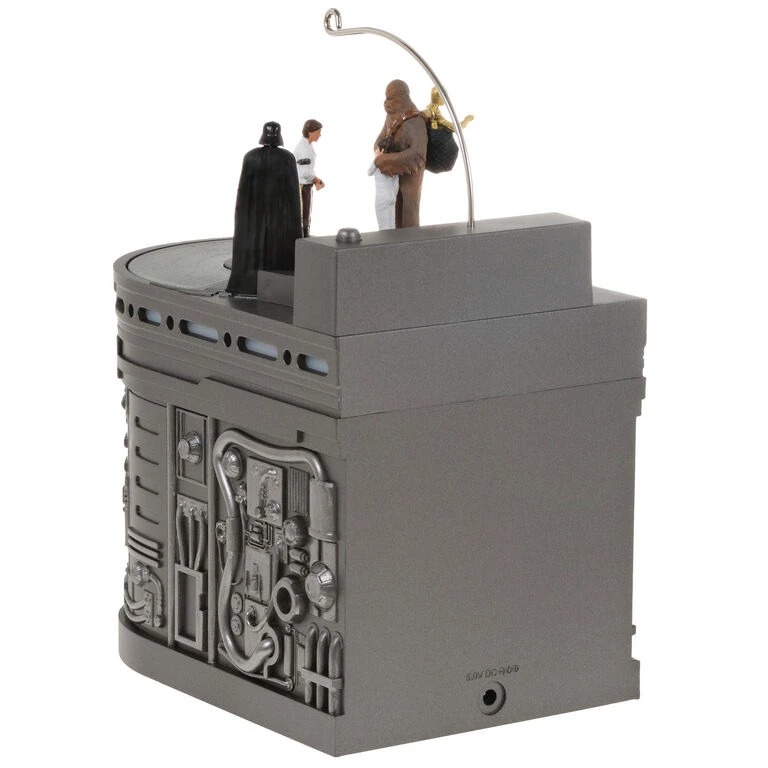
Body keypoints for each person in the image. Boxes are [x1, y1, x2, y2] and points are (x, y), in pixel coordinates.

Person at [227, 121, 302, 296]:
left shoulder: (251, 157)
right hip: (280, 215)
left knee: (253, 245)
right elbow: (292, 194)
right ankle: (280, 285)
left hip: (254, 215)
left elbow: (243, 192)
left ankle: (245, 282)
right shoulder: (287, 158)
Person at [373, 80, 428, 228]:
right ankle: (394, 239)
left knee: (408, 209)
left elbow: (418, 155)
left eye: (390, 98)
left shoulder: (415, 121)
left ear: (401, 98)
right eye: (385, 98)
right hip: (391, 175)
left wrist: (384, 161)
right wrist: (380, 148)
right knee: (393, 209)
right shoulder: (390, 118)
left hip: (410, 175)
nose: (386, 103)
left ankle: (411, 241)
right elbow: (379, 139)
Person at [294, 119, 325, 237]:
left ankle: (305, 234)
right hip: (303, 185)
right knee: (303, 213)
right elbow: (305, 171)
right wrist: (317, 180)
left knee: (307, 212)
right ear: (310, 132)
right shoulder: (303, 148)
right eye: (318, 132)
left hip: (307, 184)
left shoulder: (308, 145)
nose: (320, 135)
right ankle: (303, 236)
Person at [368, 137, 399, 230]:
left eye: (377, 148)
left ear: (382, 150)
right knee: (392, 226)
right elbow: (396, 183)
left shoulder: (377, 163)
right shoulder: (394, 164)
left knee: (383, 228)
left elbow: (369, 172)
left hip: (381, 198)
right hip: (392, 197)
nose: (375, 150)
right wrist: (393, 196)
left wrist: (377, 158)